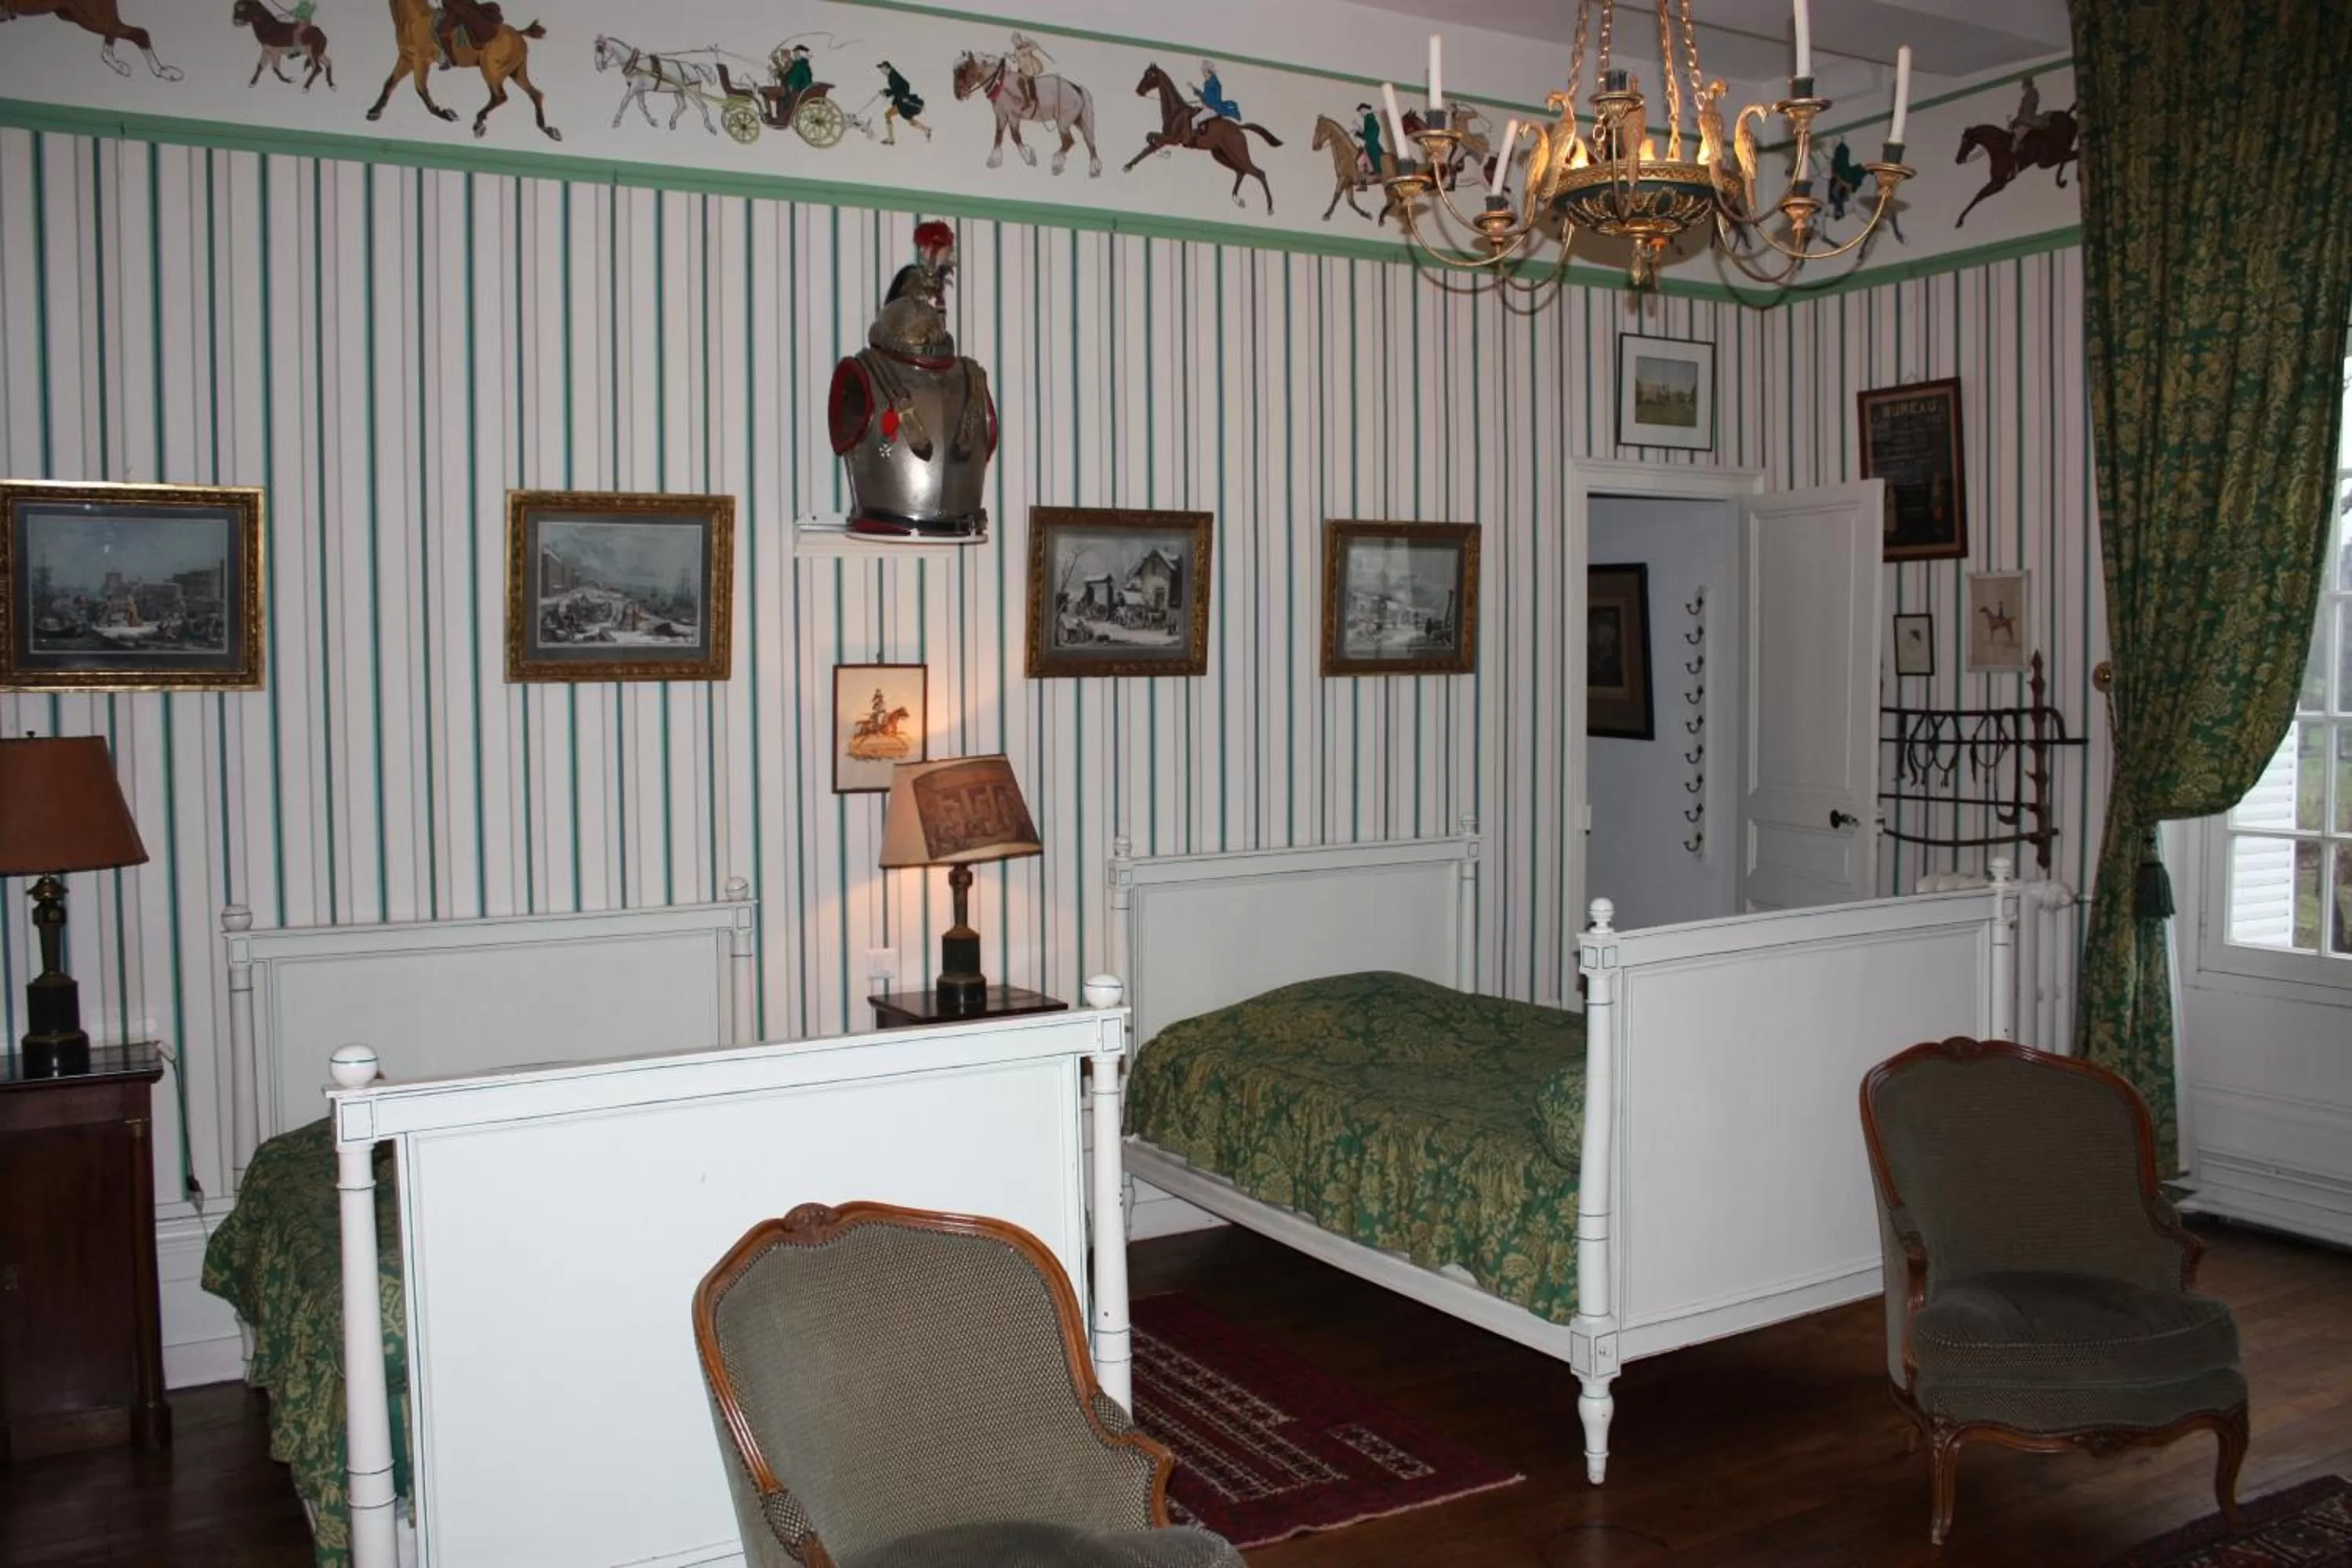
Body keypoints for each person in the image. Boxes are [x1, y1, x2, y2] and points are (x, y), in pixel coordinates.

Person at [436, 0, 506, 64]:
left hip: (461, 9)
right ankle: (449, 57)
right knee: (441, 30)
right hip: (456, 9)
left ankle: (450, 59)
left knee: (442, 30)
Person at [877, 58, 930, 143]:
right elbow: (898, 88)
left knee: (887, 115)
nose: (881, 72)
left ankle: (891, 139)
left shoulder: (893, 76)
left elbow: (903, 86)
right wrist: (886, 92)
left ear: (887, 68)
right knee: (911, 121)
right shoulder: (891, 75)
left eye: (882, 69)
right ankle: (926, 130)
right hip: (901, 102)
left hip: (901, 103)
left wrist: (887, 93)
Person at [1192, 59, 1240, 136]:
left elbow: (1209, 100)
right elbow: (1207, 97)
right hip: (1209, 107)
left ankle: (1194, 138)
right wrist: (1196, 91)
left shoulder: (1212, 84)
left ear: (1207, 72)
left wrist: (1199, 94)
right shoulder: (1211, 82)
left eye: (1204, 72)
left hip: (1212, 109)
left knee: (1194, 120)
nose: (1203, 73)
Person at [1008, 31, 1051, 115]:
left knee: (1021, 82)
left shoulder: (1026, 47)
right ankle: (1021, 98)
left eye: (1017, 41)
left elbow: (1035, 47)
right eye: (1015, 42)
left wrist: (1030, 42)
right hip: (1021, 67)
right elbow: (1016, 60)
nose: (1016, 44)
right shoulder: (1017, 49)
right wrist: (1011, 57)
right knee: (1015, 81)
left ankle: (1029, 101)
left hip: (1029, 68)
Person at [1355, 100, 1385, 180]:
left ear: (1364, 110)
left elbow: (1368, 135)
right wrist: (1357, 127)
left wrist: (1359, 133)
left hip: (1372, 146)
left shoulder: (1370, 120)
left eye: (1361, 111)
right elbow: (1366, 134)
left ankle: (1374, 172)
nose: (1360, 114)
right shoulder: (1368, 120)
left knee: (1363, 159)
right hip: (1371, 145)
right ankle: (1364, 180)